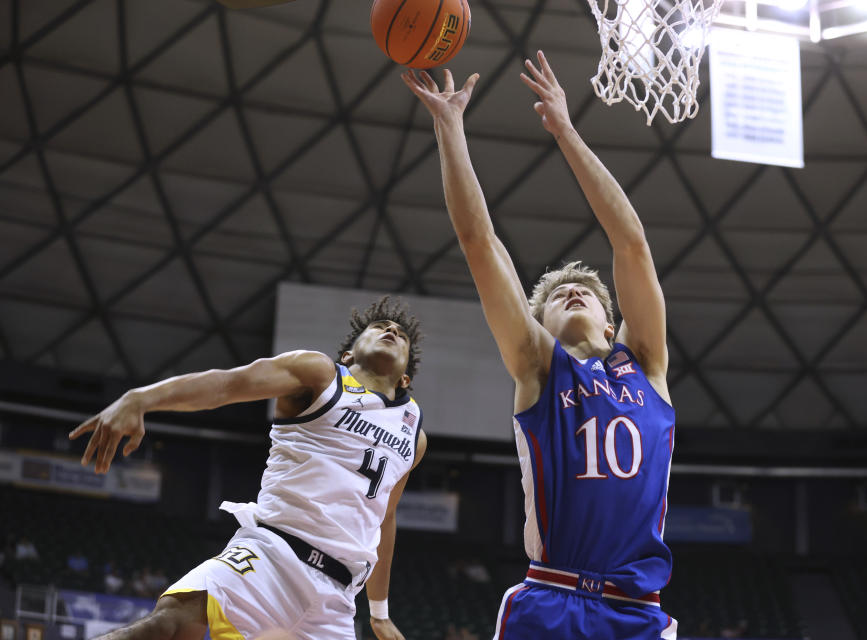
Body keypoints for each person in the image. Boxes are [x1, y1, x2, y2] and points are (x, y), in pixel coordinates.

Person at [403, 51, 677, 639]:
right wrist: (450, 129)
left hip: (638, 614)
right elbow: (479, 242)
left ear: (612, 322)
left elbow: (631, 244)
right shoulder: (539, 367)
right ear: (541, 326)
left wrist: (566, 130)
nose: (574, 293)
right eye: (558, 296)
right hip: (550, 599)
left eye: (586, 291)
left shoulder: (645, 362)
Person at [68, 296, 427, 640]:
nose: (391, 331)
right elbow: (227, 384)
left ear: (405, 379)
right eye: (380, 326)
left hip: (337, 598)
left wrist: (379, 612)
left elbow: (386, 516)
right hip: (272, 555)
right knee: (171, 625)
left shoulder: (414, 434)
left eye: (401, 334)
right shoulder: (319, 374)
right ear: (349, 354)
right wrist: (141, 398)